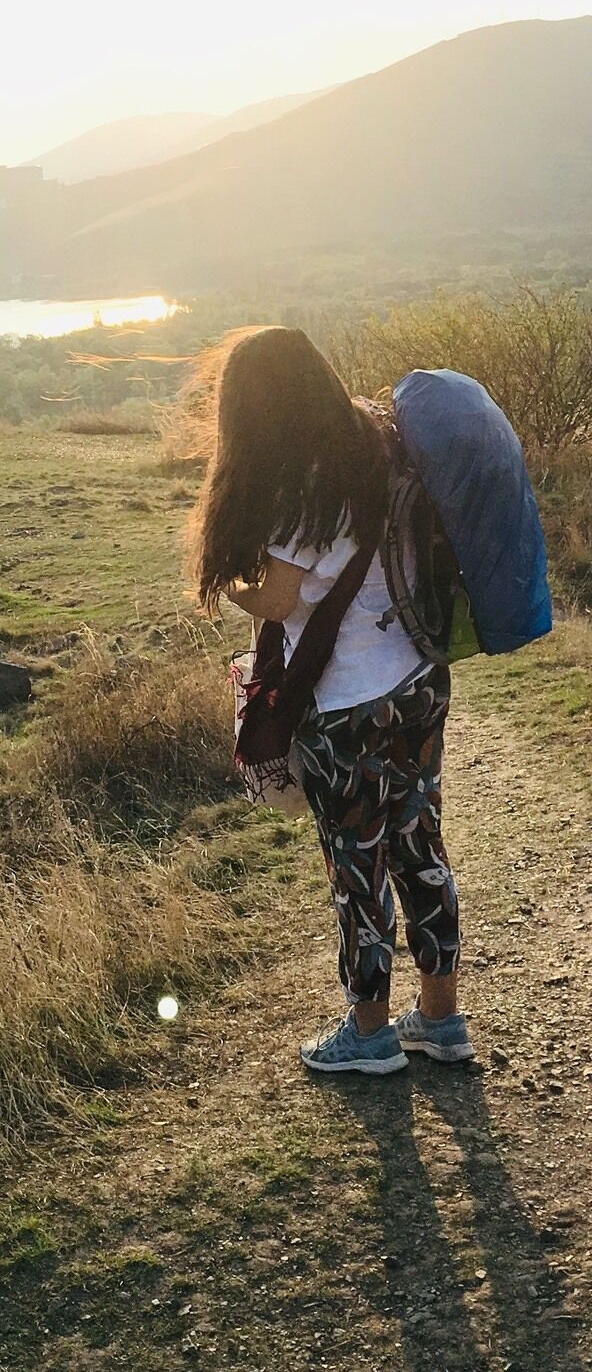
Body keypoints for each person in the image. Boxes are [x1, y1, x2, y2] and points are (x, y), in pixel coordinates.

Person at [193, 326, 467, 1076]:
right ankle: (440, 1019)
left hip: (347, 706)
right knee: (421, 845)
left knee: (357, 868)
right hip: (417, 680)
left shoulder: (301, 487)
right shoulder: (380, 441)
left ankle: (371, 1033)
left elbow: (278, 599)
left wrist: (233, 584)